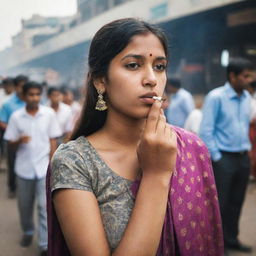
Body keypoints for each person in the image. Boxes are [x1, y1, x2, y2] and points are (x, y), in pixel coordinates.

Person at [47, 18, 224, 256]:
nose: (151, 78)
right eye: (133, 65)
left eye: (159, 66)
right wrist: (156, 174)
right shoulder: (75, 162)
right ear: (101, 81)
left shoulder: (192, 147)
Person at [199, 57, 254, 254]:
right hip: (224, 158)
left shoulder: (247, 98)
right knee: (219, 205)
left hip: (242, 158)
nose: (249, 80)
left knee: (236, 202)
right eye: (245, 76)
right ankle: (216, 245)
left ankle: (231, 239)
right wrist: (218, 158)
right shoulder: (216, 97)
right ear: (232, 76)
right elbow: (206, 130)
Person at [4, 81, 62, 256]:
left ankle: (44, 244)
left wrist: (53, 161)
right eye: (31, 94)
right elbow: (10, 143)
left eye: (38, 94)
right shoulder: (16, 117)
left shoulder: (49, 114)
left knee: (44, 207)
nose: (35, 98)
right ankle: (28, 232)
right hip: (24, 169)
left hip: (43, 168)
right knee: (25, 205)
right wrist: (19, 140)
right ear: (24, 96)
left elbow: (53, 139)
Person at [0, 74, 28, 198]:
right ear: (16, 87)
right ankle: (12, 187)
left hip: (30, 139)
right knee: (12, 164)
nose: (23, 89)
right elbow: (2, 121)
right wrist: (14, 132)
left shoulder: (34, 101)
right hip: (13, 139)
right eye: (21, 86)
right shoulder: (8, 104)